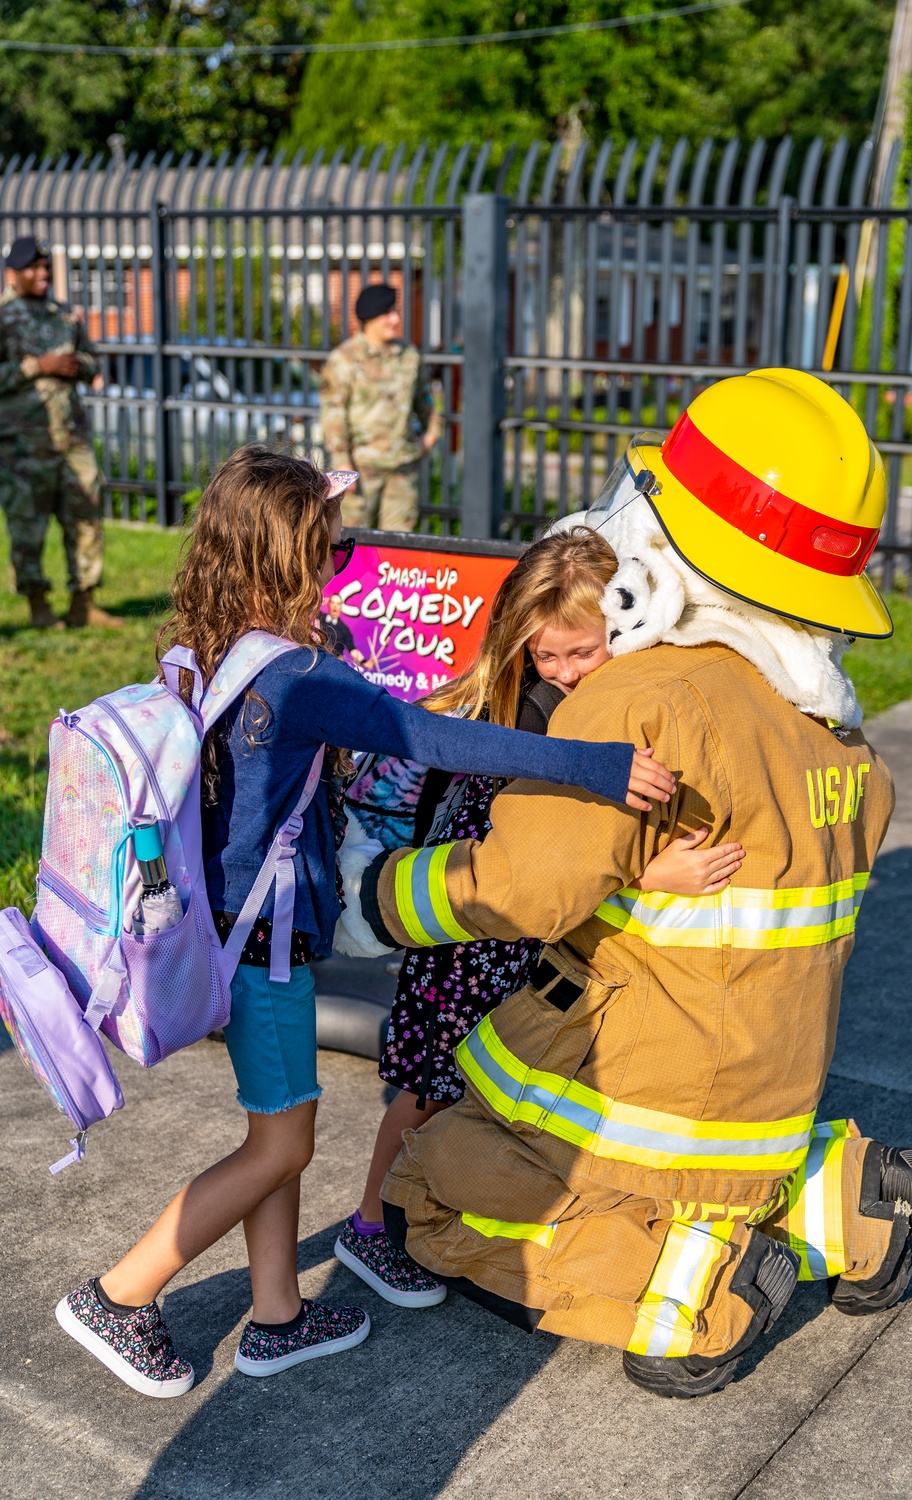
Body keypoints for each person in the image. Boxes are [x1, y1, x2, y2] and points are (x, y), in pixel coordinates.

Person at [344, 368, 912, 1400]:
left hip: (640, 1080)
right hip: (769, 1098)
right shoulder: (834, 733)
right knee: (690, 1174)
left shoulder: (645, 697)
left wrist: (373, 895)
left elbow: (520, 888)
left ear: (665, 559)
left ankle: (695, 1287)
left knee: (424, 1192)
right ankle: (841, 1202)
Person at [52, 445, 676, 1398]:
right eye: (326, 540)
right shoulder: (298, 673)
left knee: (276, 1120)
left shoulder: (203, 646)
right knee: (282, 1144)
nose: (340, 552)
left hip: (231, 934)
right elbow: (429, 735)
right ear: (285, 551)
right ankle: (119, 1294)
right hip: (266, 948)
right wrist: (595, 765)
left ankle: (276, 1317)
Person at [335, 527, 745, 1307]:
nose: (561, 672)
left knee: (484, 1088)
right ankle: (368, 1225)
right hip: (477, 933)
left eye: (579, 653)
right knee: (432, 1086)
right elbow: (553, 858)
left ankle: (429, 1209)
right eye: (545, 656)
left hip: (514, 935)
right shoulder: (533, 714)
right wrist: (654, 871)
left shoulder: (617, 698)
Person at [0, 235, 119, 629]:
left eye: (46, 267)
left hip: (73, 439)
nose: (43, 274)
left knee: (85, 516)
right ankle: (38, 605)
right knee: (27, 524)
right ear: (13, 274)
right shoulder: (3, 316)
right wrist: (39, 365)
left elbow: (92, 362)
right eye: (34, 268)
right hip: (22, 444)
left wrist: (76, 364)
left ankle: (84, 601)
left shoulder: (64, 314)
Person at [320, 282, 440, 533]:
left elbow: (425, 402)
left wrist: (430, 437)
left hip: (402, 468)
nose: (396, 319)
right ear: (370, 318)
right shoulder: (344, 359)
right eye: (388, 313)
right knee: (352, 539)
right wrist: (342, 461)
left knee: (400, 545)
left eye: (395, 312)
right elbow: (333, 415)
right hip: (361, 471)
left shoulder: (409, 356)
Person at [322, 591, 371, 667]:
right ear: (329, 605)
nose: (335, 606)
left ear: (341, 607)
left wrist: (365, 662)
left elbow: (352, 649)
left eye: (338, 604)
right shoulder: (319, 618)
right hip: (320, 659)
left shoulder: (344, 629)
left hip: (336, 663)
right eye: (333, 602)